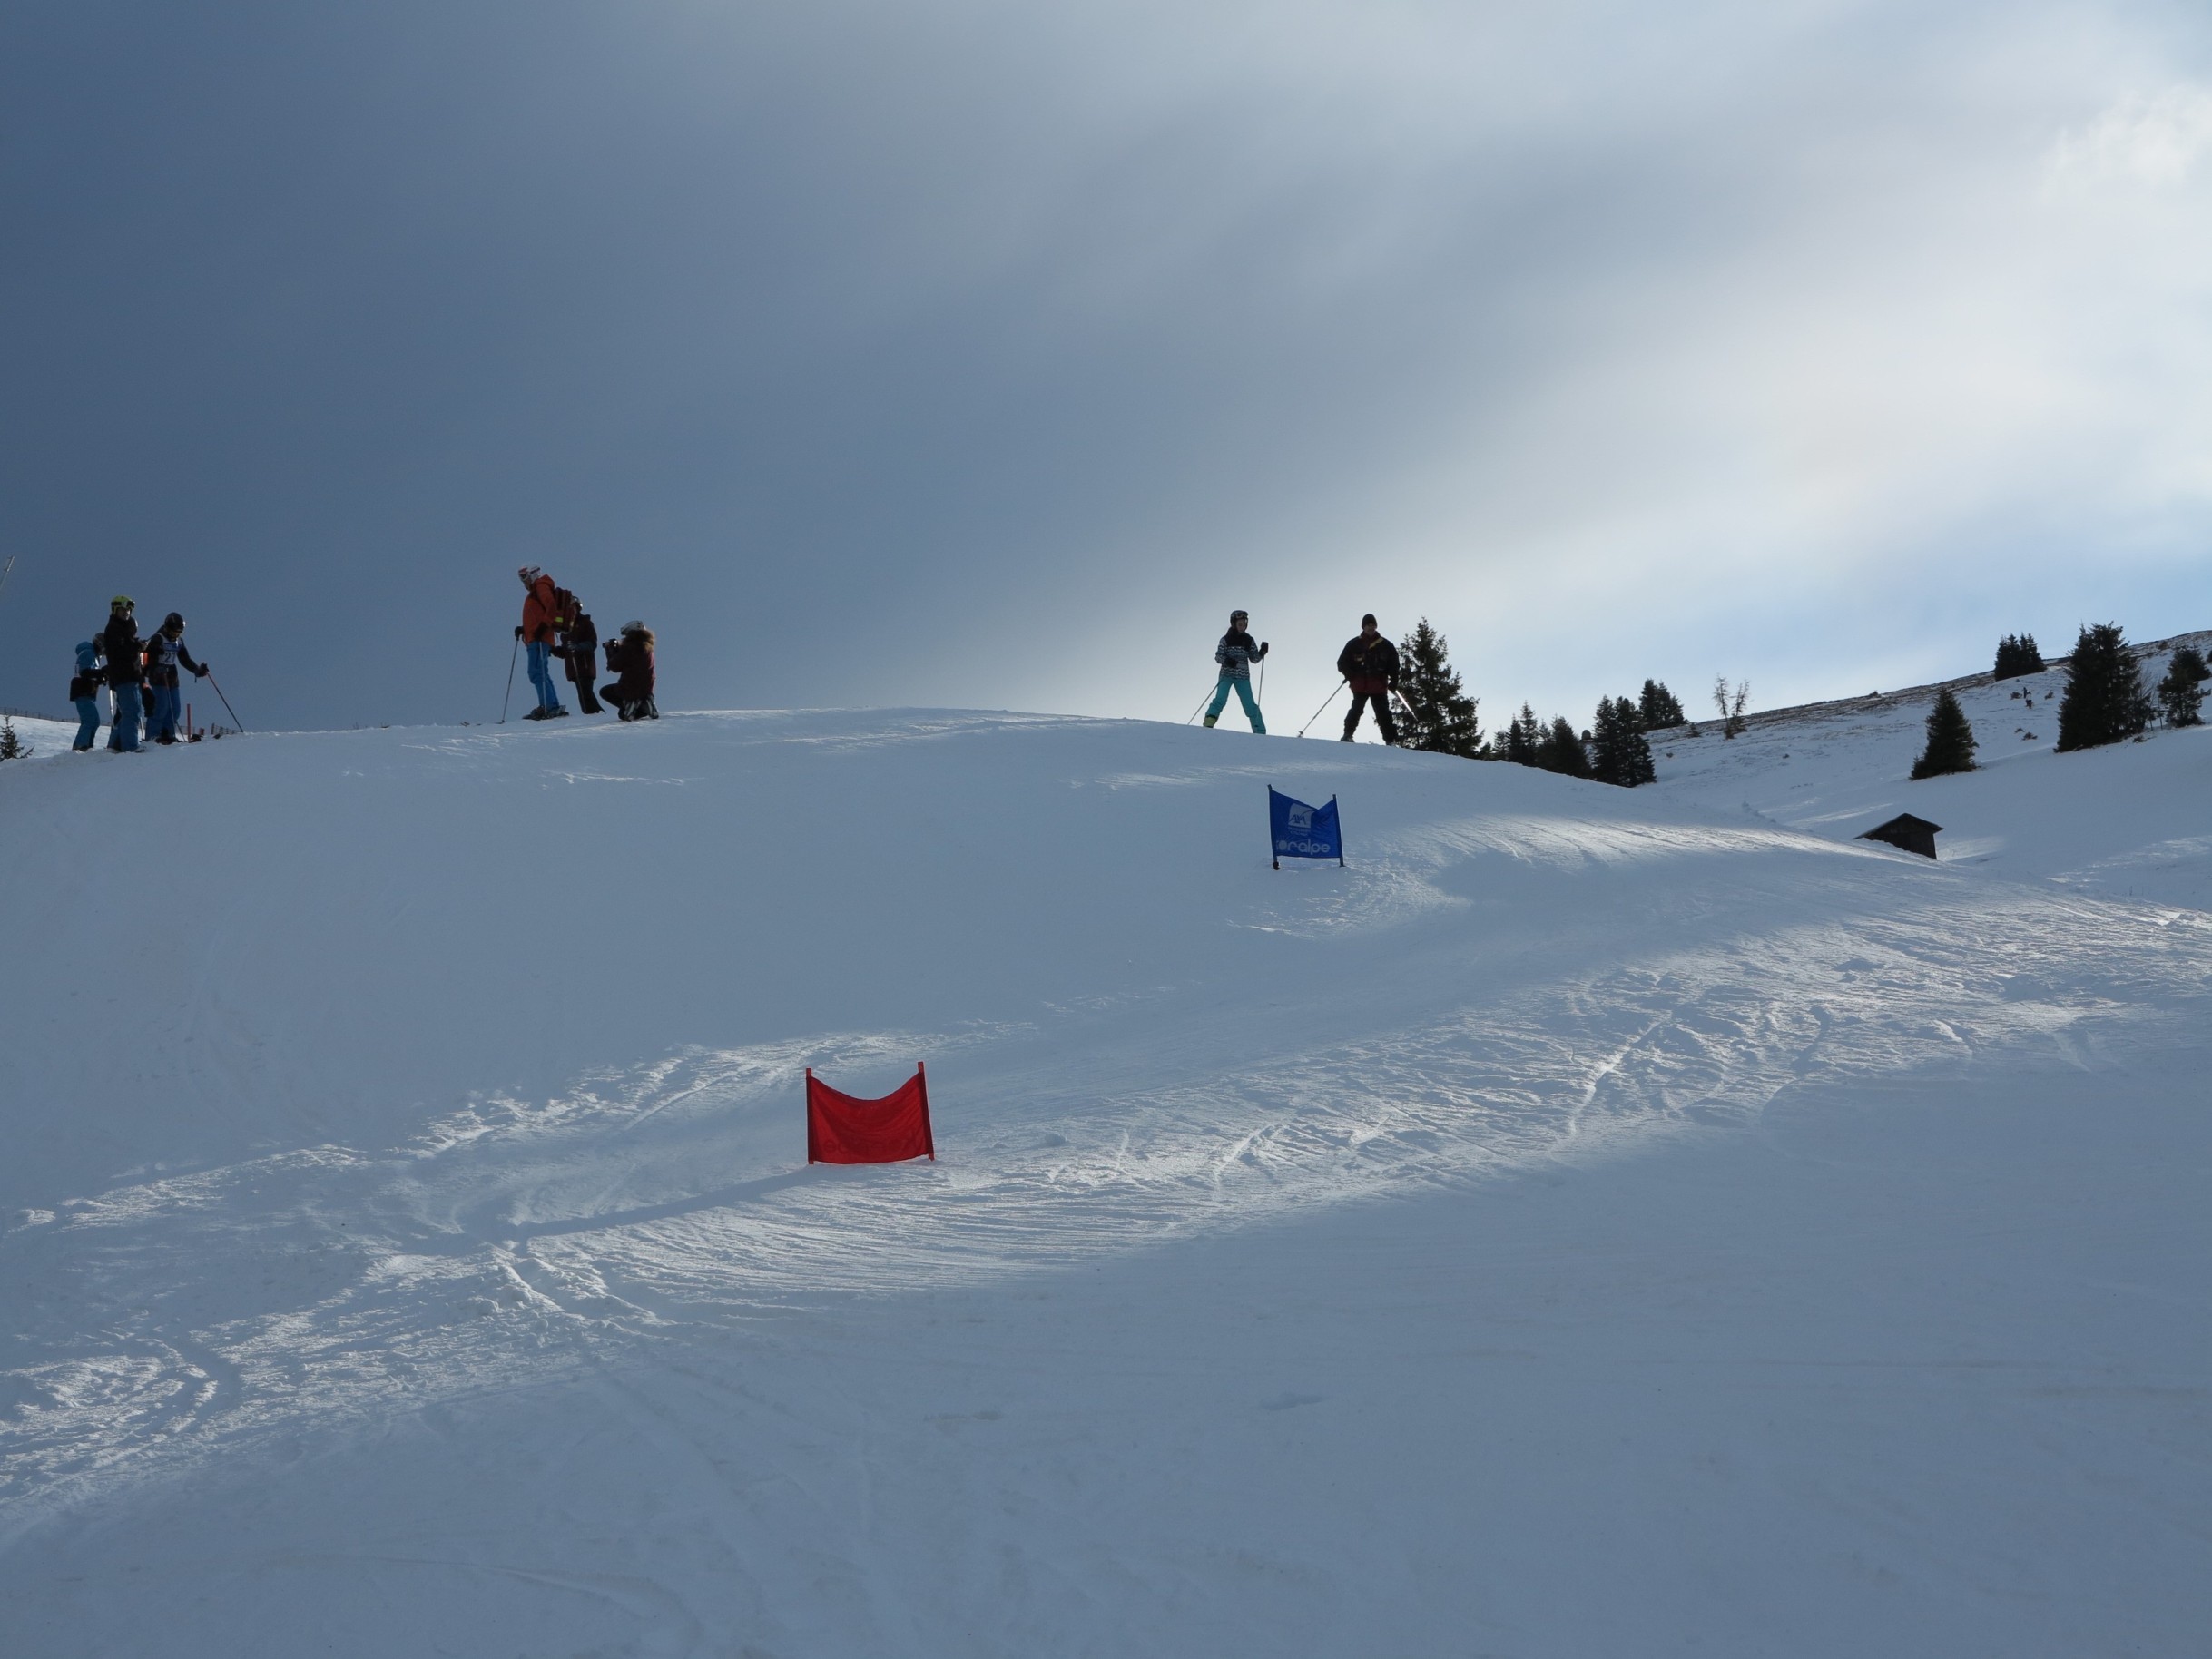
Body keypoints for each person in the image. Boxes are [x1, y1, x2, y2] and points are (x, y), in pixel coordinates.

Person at [142, 613, 210, 745]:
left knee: (175, 709)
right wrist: (155, 668)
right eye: (173, 632)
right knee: (161, 707)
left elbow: (185, 659)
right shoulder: (158, 638)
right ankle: (152, 736)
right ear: (167, 628)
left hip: (172, 677)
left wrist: (197, 670)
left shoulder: (179, 641)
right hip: (159, 678)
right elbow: (147, 658)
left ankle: (168, 735)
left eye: (179, 633)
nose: (175, 635)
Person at [1336, 614, 1401, 744]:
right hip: (1360, 685)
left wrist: (1394, 681)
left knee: (1383, 713)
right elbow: (1341, 663)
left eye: (1373, 625)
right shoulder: (1353, 644)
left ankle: (1390, 740)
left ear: (1376, 626)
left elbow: (1394, 665)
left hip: (1378, 685)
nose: (1370, 628)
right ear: (1363, 627)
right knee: (1356, 710)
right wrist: (1350, 674)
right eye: (1368, 625)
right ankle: (1347, 735)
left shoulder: (1386, 645)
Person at [515, 565, 568, 720]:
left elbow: (551, 607)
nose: (523, 581)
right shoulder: (536, 590)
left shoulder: (541, 586)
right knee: (540, 671)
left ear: (533, 574)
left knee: (536, 671)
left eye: (524, 576)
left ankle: (549, 706)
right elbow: (537, 616)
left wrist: (542, 627)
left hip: (539, 638)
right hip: (535, 637)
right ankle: (550, 704)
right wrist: (525, 629)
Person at [1203, 609, 1268, 732]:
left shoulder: (1249, 640)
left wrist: (1262, 652)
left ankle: (1260, 732)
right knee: (1220, 700)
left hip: (1243, 677)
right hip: (1226, 675)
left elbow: (1254, 659)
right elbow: (1218, 656)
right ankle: (1208, 724)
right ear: (1234, 624)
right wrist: (1226, 661)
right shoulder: (1225, 640)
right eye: (1240, 624)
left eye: (1244, 624)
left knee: (1250, 705)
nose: (1242, 627)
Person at [100, 596, 145, 753]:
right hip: (124, 676)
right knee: (132, 711)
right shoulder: (114, 628)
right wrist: (137, 646)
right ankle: (130, 746)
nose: (126, 613)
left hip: (131, 676)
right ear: (115, 610)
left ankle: (115, 744)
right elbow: (120, 650)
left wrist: (136, 644)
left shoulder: (123, 629)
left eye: (128, 610)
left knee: (126, 712)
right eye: (122, 610)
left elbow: (127, 646)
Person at [602, 621, 658, 721]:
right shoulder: (648, 648)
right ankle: (645, 702)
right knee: (640, 697)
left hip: (629, 686)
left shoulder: (629, 647)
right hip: (647, 687)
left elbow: (615, 666)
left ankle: (630, 703)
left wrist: (610, 650)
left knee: (605, 692)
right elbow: (633, 660)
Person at [556, 602, 602, 715]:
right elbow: (565, 651)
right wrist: (553, 650)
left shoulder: (585, 623)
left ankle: (596, 714)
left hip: (584, 665)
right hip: (573, 667)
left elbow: (592, 643)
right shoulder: (566, 628)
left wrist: (577, 647)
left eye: (573, 608)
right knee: (583, 693)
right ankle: (593, 714)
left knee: (586, 692)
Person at [69, 641, 104, 751]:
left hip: (87, 691)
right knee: (89, 719)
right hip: (83, 690)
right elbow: (84, 672)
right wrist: (101, 673)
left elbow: (89, 673)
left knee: (95, 720)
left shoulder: (93, 655)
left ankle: (87, 745)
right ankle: (81, 745)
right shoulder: (88, 653)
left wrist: (100, 679)